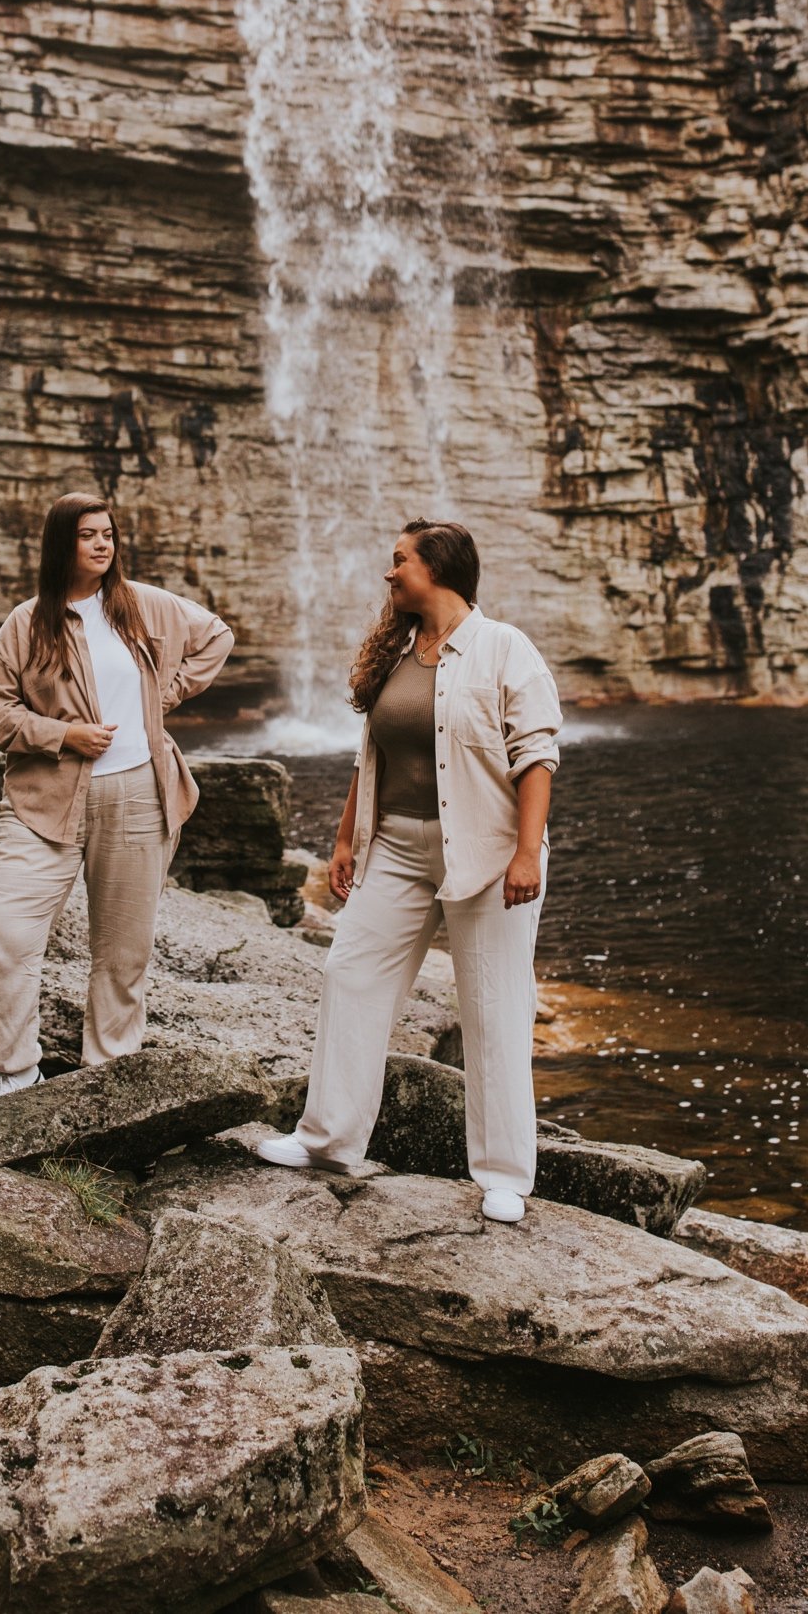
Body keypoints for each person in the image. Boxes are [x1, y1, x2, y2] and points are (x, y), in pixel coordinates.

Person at [256, 518, 561, 1223]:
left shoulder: (503, 647)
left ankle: (504, 1174)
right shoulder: (397, 652)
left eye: (399, 562)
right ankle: (327, 1138)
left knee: (493, 1003)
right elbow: (377, 757)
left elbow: (538, 756)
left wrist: (525, 851)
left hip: (486, 851)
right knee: (351, 975)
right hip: (393, 846)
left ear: (439, 567)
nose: (389, 575)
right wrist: (343, 841)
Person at [0, 492, 234, 1100]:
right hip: (45, 800)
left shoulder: (142, 606)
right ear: (61, 542)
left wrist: (162, 696)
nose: (101, 544)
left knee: (123, 951)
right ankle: (16, 1072)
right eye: (88, 534)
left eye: (109, 534)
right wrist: (63, 734)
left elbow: (215, 637)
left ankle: (107, 1076)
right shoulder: (25, 622)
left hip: (140, 793)